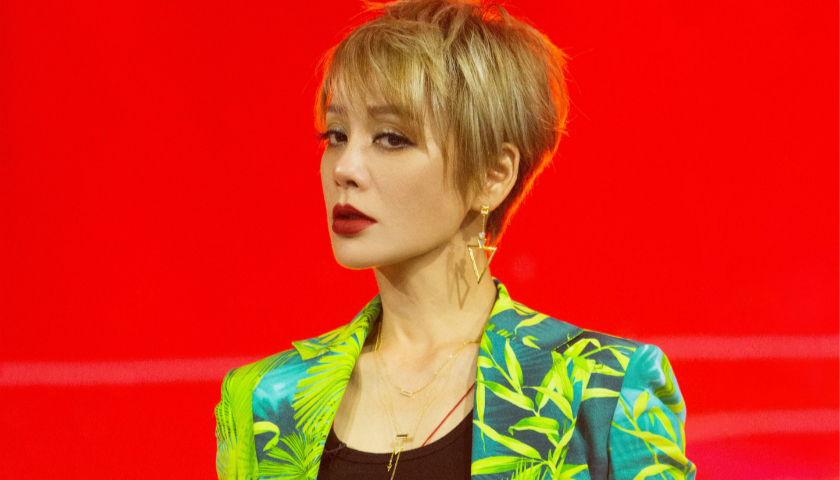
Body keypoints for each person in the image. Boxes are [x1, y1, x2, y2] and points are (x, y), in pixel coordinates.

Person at [214, 1, 695, 479]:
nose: (345, 168)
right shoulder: (266, 401)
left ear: (493, 175)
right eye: (336, 134)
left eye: (391, 138)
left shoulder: (601, 389)